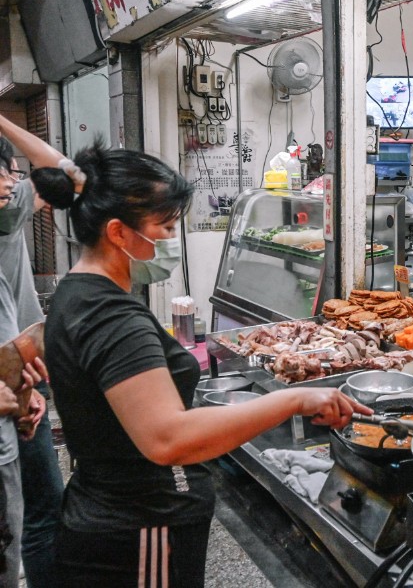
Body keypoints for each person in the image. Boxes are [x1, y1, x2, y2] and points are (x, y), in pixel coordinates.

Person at [0, 114, 373, 587]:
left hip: (109, 513)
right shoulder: (110, 316)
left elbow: (71, 176)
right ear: (117, 232)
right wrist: (293, 399)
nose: (170, 237)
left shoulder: (78, 292)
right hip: (139, 530)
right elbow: (168, 438)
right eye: (165, 225)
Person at [0, 136, 64, 588]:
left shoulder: (8, 210)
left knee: (39, 505)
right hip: (12, 385)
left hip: (22, 378)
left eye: (10, 173)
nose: (9, 185)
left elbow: (62, 173)